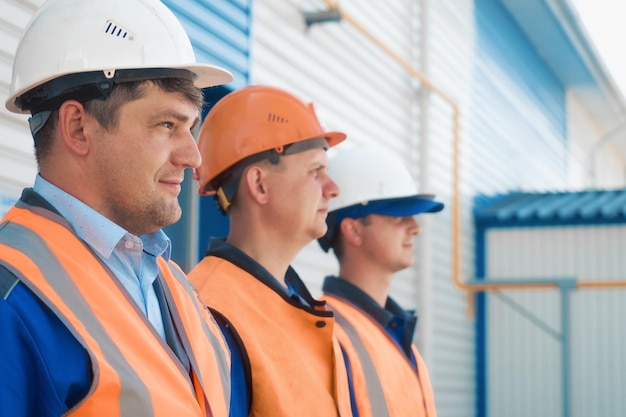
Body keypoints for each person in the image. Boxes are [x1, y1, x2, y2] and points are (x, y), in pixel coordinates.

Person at [0, 0, 234, 416]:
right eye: (167, 125)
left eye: (191, 127)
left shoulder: (175, 286)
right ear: (78, 127)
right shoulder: (11, 295)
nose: (193, 156)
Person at [189, 85, 354, 417]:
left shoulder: (293, 304)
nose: (333, 189)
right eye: (315, 171)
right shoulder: (210, 310)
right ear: (259, 184)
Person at [317, 147, 443, 417]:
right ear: (353, 229)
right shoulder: (324, 332)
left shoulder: (395, 334)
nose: (415, 227)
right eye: (399, 216)